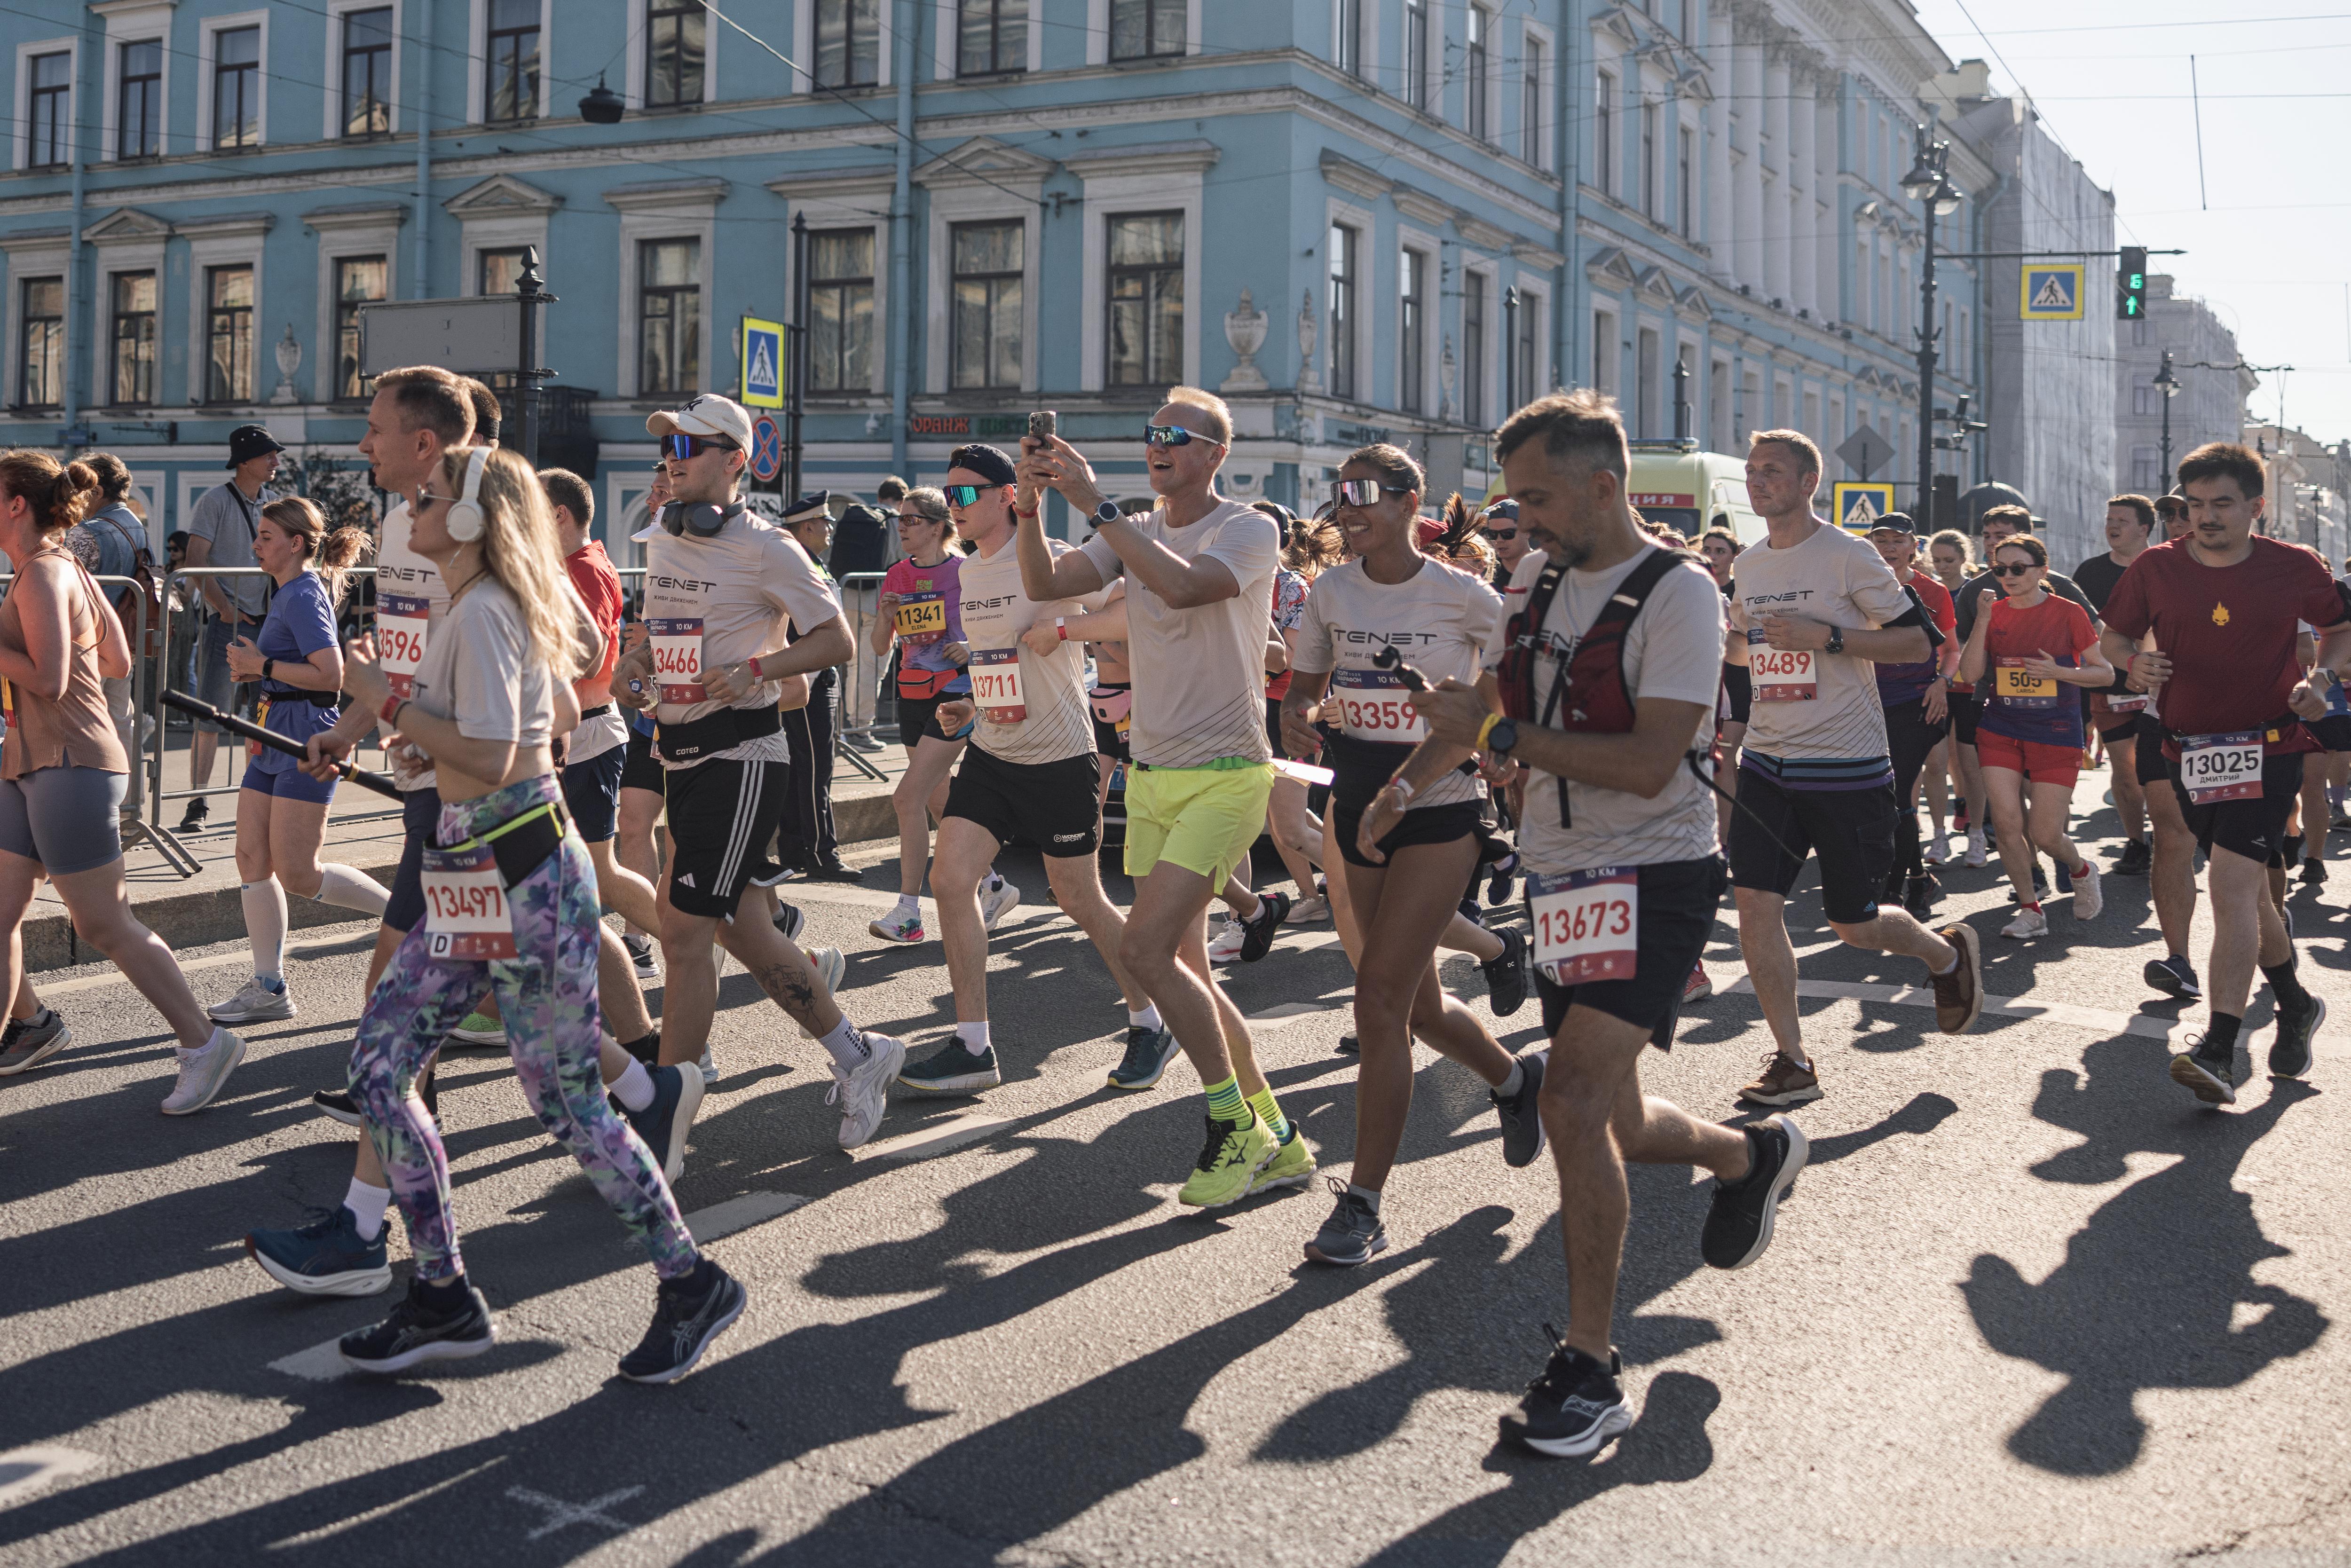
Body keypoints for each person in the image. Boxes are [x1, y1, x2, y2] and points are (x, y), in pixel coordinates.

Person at [1394, 393, 1806, 1458]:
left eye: (1535, 497)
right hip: (1560, 874)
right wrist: (1401, 787)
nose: (1518, 521)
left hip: (1658, 870)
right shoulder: (1533, 577)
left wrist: (1494, 729)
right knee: (1614, 1122)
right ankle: (1746, 1154)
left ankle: (1588, 1367)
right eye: (1514, 499)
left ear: (1602, 486)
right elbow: (1481, 704)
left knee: (1570, 1098)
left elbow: (1648, 757)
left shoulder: (1679, 596)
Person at [313, 442, 742, 1382]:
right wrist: (402, 737)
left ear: (468, 520)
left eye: (426, 499)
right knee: (382, 1065)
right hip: (471, 867)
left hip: (524, 873)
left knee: (562, 1098)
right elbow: (535, 718)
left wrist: (384, 698)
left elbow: (508, 755)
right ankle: (441, 1293)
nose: (410, 512)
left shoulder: (488, 610)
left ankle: (692, 1280)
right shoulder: (477, 608)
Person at [1016, 387, 1310, 1202]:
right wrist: (1031, 506)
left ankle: (1230, 1128)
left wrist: (1093, 500)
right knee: (1193, 976)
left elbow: (1185, 588)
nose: (1159, 446)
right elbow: (1048, 583)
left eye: (1177, 437)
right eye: (1152, 435)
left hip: (1226, 773)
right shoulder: (1133, 530)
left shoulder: (1250, 527)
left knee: (1144, 955)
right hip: (1151, 775)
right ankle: (1278, 1135)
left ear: (1216, 454)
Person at [612, 393, 907, 1144]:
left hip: (740, 754)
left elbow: (838, 640)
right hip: (678, 750)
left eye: (691, 447)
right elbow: (676, 634)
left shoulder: (771, 546)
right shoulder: (664, 535)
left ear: (735, 459)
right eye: (669, 446)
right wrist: (639, 664)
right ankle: (859, 1054)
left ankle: (664, 1110)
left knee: (681, 931)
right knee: (742, 927)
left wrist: (759, 667)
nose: (674, 459)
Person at [1279, 444, 1529, 1265]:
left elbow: (1510, 684)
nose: (1346, 507)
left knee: (1377, 1000)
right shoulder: (1331, 591)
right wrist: (1306, 715)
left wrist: (1496, 735)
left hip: (1439, 809)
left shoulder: (1463, 595)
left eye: (1364, 494)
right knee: (1416, 1009)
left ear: (1410, 501)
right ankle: (1514, 1082)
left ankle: (1363, 1203)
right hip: (1354, 805)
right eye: (1340, 494)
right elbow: (1304, 692)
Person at [895, 443, 1168, 1093]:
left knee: (1079, 898)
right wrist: (972, 700)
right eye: (949, 493)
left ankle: (1151, 1019)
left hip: (1060, 758)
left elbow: (1139, 605)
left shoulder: (1046, 560)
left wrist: (1068, 630)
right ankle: (973, 1044)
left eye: (964, 495)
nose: (952, 506)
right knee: (950, 878)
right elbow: (997, 659)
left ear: (1002, 496)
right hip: (993, 750)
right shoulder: (968, 571)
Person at [1726, 431, 1983, 1108]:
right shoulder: (1749, 566)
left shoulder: (1848, 555)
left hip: (1846, 764)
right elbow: (1747, 652)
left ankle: (1944, 954)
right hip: (1768, 759)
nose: (1758, 482)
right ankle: (1793, 1059)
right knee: (1755, 904)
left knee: (1854, 923)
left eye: (1772, 472)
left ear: (1809, 481)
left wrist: (1830, 637)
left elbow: (1915, 643)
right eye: (1752, 472)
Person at [0, 452, 244, 1108]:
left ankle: (204, 1039)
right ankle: (35, 1026)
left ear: (16, 503)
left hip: (71, 762)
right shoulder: (64, 567)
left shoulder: (46, 573)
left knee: (104, 921)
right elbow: (118, 656)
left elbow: (51, 679)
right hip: (29, 761)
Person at [2100, 442, 2341, 1103]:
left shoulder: (2294, 566)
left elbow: (2339, 627)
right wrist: (2133, 664)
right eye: (2195, 504)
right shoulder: (2156, 568)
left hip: (2272, 745)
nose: (2204, 517)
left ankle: (2219, 1046)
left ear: (2255, 507)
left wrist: (2321, 675)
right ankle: (2295, 1003)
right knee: (2254, 898)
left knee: (2232, 887)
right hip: (2188, 752)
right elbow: (2113, 638)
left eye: (2221, 504)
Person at [204, 498, 391, 1024]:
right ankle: (268, 986)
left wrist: (261, 663)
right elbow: (291, 668)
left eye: (266, 536)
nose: (257, 544)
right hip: (272, 732)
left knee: (299, 872)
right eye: (258, 535)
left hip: (306, 736)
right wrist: (256, 672)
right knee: (249, 857)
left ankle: (401, 912)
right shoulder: (287, 590)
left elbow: (332, 675)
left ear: (295, 544)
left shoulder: (304, 593)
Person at [868, 486, 1014, 943]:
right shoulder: (895, 575)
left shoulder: (966, 571)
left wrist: (969, 648)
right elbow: (878, 647)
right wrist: (884, 618)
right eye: (900, 520)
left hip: (957, 692)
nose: (903, 527)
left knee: (907, 797)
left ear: (937, 526)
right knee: (934, 797)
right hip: (912, 693)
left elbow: (996, 625)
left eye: (912, 519)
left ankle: (908, 914)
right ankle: (994, 885)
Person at [1958, 533, 2111, 939]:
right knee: (2007, 822)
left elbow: (2105, 673)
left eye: (2018, 568)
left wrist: (2058, 672)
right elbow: (1970, 674)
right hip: (2001, 727)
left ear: (2042, 570)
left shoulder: (2069, 612)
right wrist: (1985, 621)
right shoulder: (1994, 612)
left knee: (2045, 833)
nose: (2008, 576)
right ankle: (2030, 909)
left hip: (2056, 730)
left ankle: (2081, 870)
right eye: (2000, 569)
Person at [179, 425, 284, 832]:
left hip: (268, 625)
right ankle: (197, 802)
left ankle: (253, 800)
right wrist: (223, 609)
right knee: (211, 714)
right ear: (245, 462)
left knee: (261, 716)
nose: (276, 461)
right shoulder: (215, 502)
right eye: (268, 455)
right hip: (229, 623)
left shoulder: (275, 502)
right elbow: (196, 558)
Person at [1866, 516, 1956, 921]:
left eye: (1897, 541)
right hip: (1867, 703)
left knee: (1898, 794)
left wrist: (1943, 682)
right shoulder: (1858, 586)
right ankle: (1917, 878)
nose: (1888, 547)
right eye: (1880, 540)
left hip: (1919, 703)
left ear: (1913, 546)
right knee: (1879, 796)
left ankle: (1893, 891)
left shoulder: (1932, 591)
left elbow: (1951, 650)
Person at [2074, 495, 2158, 875]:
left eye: (2122, 520)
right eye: (2110, 519)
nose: (2113, 525)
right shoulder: (2089, 572)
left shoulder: (2166, 567)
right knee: (2125, 769)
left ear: (2144, 528)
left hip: (2161, 684)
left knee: (2159, 768)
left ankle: (2170, 832)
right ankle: (2138, 842)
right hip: (2111, 683)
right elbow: (2074, 629)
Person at [615, 460, 675, 981]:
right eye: (653, 488)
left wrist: (653, 646)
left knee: (682, 840)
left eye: (661, 489)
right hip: (648, 720)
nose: (653, 497)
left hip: (694, 720)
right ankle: (638, 937)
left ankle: (767, 920)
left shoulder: (712, 554)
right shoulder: (654, 552)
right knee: (633, 822)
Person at [778, 491, 857, 881]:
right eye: (825, 522)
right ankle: (822, 854)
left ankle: (795, 852)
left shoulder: (814, 563)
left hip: (818, 674)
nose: (830, 529)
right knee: (813, 770)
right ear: (807, 526)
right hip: (807, 678)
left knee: (804, 768)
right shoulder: (798, 567)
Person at [66, 453, 152, 761]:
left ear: (98, 492)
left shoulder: (86, 532)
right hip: (125, 636)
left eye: (82, 488)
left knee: (80, 719)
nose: (75, 497)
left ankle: (90, 793)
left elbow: (64, 587)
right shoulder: (137, 525)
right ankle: (131, 800)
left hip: (87, 641)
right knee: (120, 718)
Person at [1479, 498, 1531, 585]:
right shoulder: (1483, 573)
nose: (1499, 540)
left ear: (1527, 532)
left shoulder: (1545, 568)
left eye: (1507, 533)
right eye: (1493, 534)